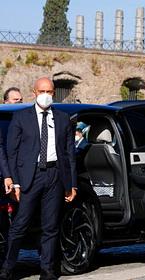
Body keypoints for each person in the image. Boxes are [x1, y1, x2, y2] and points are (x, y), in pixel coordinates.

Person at [0, 77, 77, 280]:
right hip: (28, 178)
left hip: (54, 176)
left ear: (53, 93)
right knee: (19, 226)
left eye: (50, 92)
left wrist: (71, 184)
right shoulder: (21, 117)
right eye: (42, 91)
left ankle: (48, 271)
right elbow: (12, 153)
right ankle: (7, 268)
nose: (46, 95)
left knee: (50, 227)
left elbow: (69, 154)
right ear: (34, 92)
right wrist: (14, 181)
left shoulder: (62, 118)